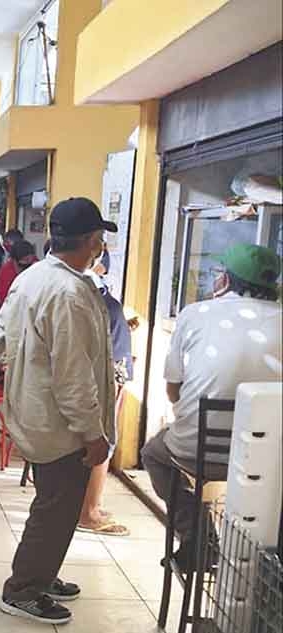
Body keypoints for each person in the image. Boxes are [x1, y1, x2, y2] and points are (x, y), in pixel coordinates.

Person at [0, 197, 118, 625]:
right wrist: (92, 431)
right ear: (89, 241)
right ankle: (23, 589)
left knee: (56, 502)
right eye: (99, 238)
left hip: (36, 408)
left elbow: (2, 337)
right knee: (56, 506)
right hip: (60, 420)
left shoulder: (35, 276)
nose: (101, 246)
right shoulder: (68, 292)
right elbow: (73, 373)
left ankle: (42, 575)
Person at [141, 243, 281, 570]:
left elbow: (173, 390)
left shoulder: (195, 314)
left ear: (225, 281)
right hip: (267, 459)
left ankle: (198, 536)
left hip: (197, 449)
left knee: (153, 455)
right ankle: (268, 562)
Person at [76, 257, 134, 537]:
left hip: (101, 377)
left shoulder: (83, 294)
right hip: (105, 381)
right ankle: (89, 513)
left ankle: (86, 505)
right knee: (103, 444)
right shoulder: (97, 298)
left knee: (96, 443)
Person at [0, 239, 38, 304]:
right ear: (14, 260)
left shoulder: (37, 267)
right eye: (24, 261)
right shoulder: (6, 272)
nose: (26, 266)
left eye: (30, 260)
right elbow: (3, 298)